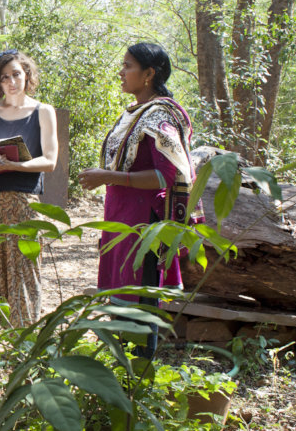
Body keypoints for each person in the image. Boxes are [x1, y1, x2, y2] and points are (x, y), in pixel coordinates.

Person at [77, 42, 203, 358]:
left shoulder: (159, 116)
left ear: (148, 74)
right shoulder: (138, 113)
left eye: (128, 66)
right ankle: (122, 372)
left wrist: (107, 177)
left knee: (140, 305)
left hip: (142, 226)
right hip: (122, 219)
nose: (122, 71)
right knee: (122, 302)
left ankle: (138, 376)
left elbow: (170, 175)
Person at [0, 49, 58, 349]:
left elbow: (50, 160)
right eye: (4, 77)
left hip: (23, 201)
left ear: (27, 75)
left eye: (16, 74)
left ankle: (24, 342)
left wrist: (13, 165)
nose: (11, 82)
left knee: (23, 269)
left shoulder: (43, 111)